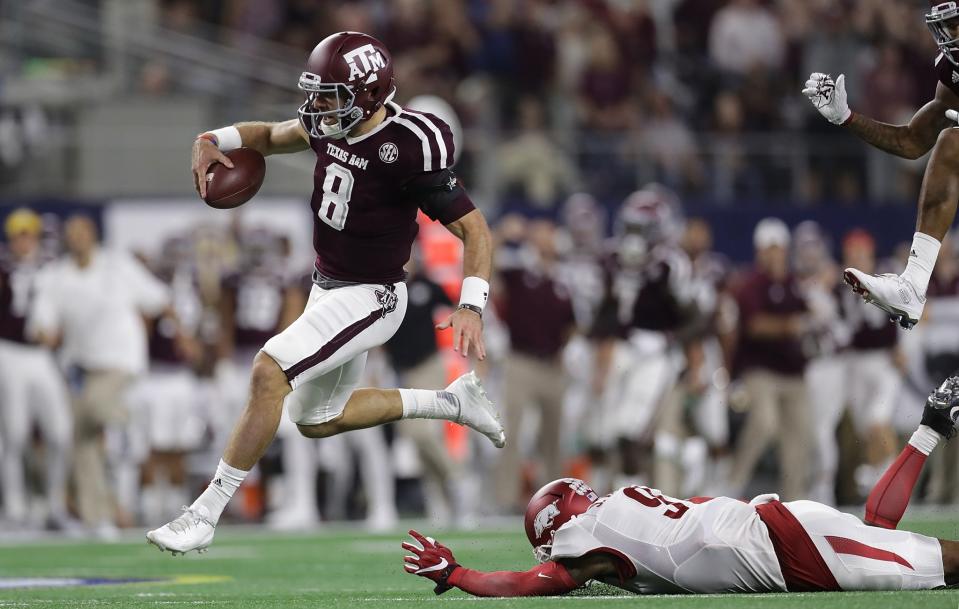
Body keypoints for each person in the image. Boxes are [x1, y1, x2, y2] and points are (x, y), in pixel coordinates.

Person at [147, 31, 504, 555]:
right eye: (316, 93)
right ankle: (453, 402)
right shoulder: (331, 126)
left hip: (374, 294)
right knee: (316, 420)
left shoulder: (407, 147)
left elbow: (476, 230)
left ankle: (204, 513)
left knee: (269, 373)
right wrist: (214, 139)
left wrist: (471, 304)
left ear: (367, 96)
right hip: (326, 287)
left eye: (330, 95)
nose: (317, 107)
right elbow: (267, 134)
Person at [401, 376, 959, 596]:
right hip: (775, 527)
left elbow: (524, 585)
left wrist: (457, 573)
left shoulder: (585, 536)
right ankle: (930, 428)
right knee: (881, 536)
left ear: (555, 525)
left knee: (941, 566)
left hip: (779, 550)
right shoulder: (625, 501)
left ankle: (931, 427)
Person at [802, 2, 959, 329]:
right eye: (948, 26)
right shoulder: (953, 70)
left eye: (957, 25)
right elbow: (913, 141)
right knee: (950, 143)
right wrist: (847, 117)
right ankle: (913, 285)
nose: (950, 35)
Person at [29, 214, 171, 537]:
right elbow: (43, 321)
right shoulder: (56, 276)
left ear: (92, 235)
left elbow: (157, 299)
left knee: (96, 410)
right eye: (72, 233)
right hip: (81, 367)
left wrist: (177, 331)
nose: (77, 238)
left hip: (121, 363)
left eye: (82, 232)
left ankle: (125, 429)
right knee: (80, 440)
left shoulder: (117, 266)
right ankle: (99, 518)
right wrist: (45, 335)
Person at [0, 209, 72, 528]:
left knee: (60, 432)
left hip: (42, 356)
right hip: (9, 352)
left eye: (30, 234)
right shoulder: (3, 267)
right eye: (20, 234)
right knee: (13, 434)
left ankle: (54, 503)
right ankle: (15, 506)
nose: (25, 241)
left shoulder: (53, 268)